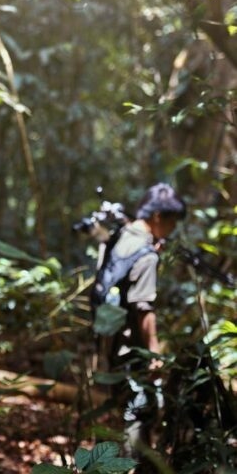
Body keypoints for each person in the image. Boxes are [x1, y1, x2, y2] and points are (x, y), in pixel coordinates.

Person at [92, 182, 186, 465]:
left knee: (116, 408)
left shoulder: (122, 235)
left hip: (109, 342)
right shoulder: (145, 254)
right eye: (172, 223)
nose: (172, 230)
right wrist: (154, 354)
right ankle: (130, 466)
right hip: (131, 349)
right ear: (158, 217)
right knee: (138, 412)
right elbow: (143, 308)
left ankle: (103, 463)